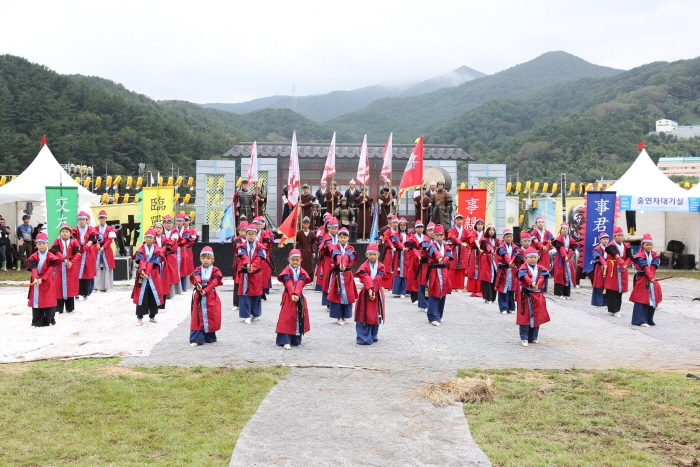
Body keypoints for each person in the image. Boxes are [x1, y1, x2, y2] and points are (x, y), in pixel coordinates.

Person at [276, 249, 312, 349]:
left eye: (297, 260)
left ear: (301, 260)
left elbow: (301, 283)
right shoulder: (286, 271)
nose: (295, 262)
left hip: (299, 297)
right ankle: (285, 340)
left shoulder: (302, 272)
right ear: (289, 260)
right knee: (286, 318)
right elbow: (288, 283)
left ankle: (295, 339)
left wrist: (296, 294)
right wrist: (292, 293)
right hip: (288, 297)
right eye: (293, 260)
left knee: (298, 317)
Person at [189, 246, 223, 346]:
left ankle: (210, 336)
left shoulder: (215, 270)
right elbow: (197, 276)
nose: (206, 260)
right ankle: (196, 339)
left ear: (212, 259)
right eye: (203, 258)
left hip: (211, 295)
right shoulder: (198, 269)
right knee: (198, 317)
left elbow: (215, 281)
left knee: (211, 316)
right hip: (199, 295)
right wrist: (198, 284)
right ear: (200, 259)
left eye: (208, 258)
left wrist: (206, 290)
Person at [516, 247, 551, 347]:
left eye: (535, 257)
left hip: (537, 294)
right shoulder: (523, 268)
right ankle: (524, 338)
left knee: (537, 316)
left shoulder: (540, 268)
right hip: (525, 295)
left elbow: (542, 277)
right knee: (525, 317)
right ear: (526, 258)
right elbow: (524, 277)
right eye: (530, 257)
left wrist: (537, 284)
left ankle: (534, 337)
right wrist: (531, 283)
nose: (533, 259)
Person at [354, 244, 386, 345]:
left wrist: (374, 289)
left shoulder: (381, 266)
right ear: (366, 255)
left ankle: (373, 335)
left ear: (378, 255)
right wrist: (369, 289)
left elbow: (379, 278)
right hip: (366, 293)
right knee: (364, 314)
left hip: (377, 292)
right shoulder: (363, 266)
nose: (372, 256)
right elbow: (365, 277)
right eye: (370, 254)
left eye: (374, 254)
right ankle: (363, 337)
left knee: (376, 314)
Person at [132, 229, 165, 326]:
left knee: (153, 295)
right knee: (141, 296)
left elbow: (153, 262)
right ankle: (139, 317)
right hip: (142, 275)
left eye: (151, 237)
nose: (148, 239)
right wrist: (142, 272)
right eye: (147, 237)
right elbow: (140, 260)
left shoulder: (157, 250)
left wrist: (147, 273)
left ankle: (152, 316)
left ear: (154, 239)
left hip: (153, 275)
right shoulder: (141, 249)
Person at [630, 234, 662, 327]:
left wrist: (651, 277)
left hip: (651, 279)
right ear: (642, 245)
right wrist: (650, 276)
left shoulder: (655, 255)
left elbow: (653, 266)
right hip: (642, 279)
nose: (649, 246)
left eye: (650, 245)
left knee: (653, 298)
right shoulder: (640, 255)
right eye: (647, 244)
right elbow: (644, 266)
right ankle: (639, 320)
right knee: (641, 299)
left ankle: (648, 319)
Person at [26, 232, 58, 328]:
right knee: (37, 301)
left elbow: (51, 269)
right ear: (36, 245)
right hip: (36, 282)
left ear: (47, 244)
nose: (42, 245)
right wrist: (36, 278)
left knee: (49, 300)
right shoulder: (33, 257)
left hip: (48, 280)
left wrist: (43, 278)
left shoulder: (51, 256)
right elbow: (33, 268)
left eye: (43, 243)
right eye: (39, 243)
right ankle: (37, 321)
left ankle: (50, 320)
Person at [327, 227, 358, 325]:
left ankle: (344, 315)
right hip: (337, 275)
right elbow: (337, 255)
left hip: (347, 275)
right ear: (338, 238)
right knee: (337, 294)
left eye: (345, 237)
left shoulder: (351, 248)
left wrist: (343, 264)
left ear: (348, 238)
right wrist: (340, 263)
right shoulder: (334, 246)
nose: (343, 239)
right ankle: (338, 316)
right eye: (340, 237)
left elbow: (347, 256)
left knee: (347, 295)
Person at [236, 224, 266, 324]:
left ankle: (255, 313)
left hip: (256, 274)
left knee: (256, 294)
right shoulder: (241, 246)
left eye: (253, 234)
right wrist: (247, 264)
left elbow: (259, 258)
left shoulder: (261, 247)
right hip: (245, 274)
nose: (251, 236)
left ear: (256, 235)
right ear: (246, 234)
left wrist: (253, 267)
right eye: (249, 234)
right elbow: (243, 255)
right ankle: (246, 315)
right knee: (245, 294)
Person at [50, 224, 81, 315]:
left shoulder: (74, 242)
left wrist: (72, 262)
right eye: (63, 231)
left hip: (70, 266)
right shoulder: (57, 241)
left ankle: (69, 308)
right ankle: (59, 308)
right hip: (59, 265)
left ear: (70, 234)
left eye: (67, 232)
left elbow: (78, 253)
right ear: (60, 233)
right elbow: (56, 251)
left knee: (70, 285)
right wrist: (64, 259)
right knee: (58, 285)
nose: (64, 233)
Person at [425, 225, 452, 326]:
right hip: (434, 272)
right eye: (437, 235)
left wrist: (443, 260)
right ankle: (432, 317)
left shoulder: (446, 246)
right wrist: (440, 258)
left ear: (443, 236)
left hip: (444, 271)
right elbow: (435, 252)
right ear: (434, 236)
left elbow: (449, 255)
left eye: (441, 235)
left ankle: (439, 315)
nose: (439, 237)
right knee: (434, 292)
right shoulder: (432, 245)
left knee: (443, 293)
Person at [604, 226, 632, 317]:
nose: (620, 237)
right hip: (613, 268)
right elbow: (616, 255)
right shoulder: (611, 245)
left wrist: (625, 264)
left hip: (622, 268)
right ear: (614, 237)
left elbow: (629, 257)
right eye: (618, 235)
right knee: (612, 288)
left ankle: (617, 309)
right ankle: (613, 309)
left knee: (620, 290)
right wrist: (622, 264)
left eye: (622, 236)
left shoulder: (626, 246)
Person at [495, 229, 521, 315]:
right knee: (503, 289)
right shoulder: (501, 247)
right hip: (504, 270)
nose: (509, 238)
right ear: (504, 238)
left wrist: (511, 262)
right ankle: (503, 307)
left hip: (512, 270)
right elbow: (505, 255)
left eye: (511, 237)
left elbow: (514, 255)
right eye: (507, 237)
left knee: (511, 289)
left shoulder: (515, 247)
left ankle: (511, 307)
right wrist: (509, 262)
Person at [72, 211, 97, 300]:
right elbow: (74, 240)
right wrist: (79, 248)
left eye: (83, 219)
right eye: (80, 220)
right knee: (76, 273)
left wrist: (85, 247)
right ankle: (76, 293)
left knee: (86, 273)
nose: (81, 221)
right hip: (77, 253)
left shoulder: (91, 230)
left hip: (88, 253)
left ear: (87, 220)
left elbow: (91, 240)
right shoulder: (74, 230)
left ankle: (85, 293)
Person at [317, 217, 339, 307]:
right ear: (328, 228)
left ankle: (336, 299)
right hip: (328, 259)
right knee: (327, 279)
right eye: (332, 228)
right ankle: (328, 302)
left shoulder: (339, 237)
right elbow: (329, 246)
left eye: (335, 228)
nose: (334, 230)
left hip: (337, 260)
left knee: (336, 279)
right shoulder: (326, 237)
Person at [552, 223, 578, 300]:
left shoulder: (571, 239)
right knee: (560, 275)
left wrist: (568, 256)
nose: (565, 230)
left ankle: (566, 294)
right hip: (560, 258)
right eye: (563, 229)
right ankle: (559, 293)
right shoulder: (558, 238)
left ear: (568, 230)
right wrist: (565, 256)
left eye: (566, 229)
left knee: (568, 274)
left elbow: (572, 249)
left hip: (568, 259)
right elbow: (561, 248)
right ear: (561, 230)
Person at [94, 210, 117, 293]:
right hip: (97, 249)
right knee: (96, 267)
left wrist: (103, 247)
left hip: (106, 250)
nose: (102, 219)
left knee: (107, 268)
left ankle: (106, 285)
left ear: (106, 218)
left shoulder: (110, 229)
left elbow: (109, 240)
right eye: (100, 218)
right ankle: (96, 286)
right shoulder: (95, 228)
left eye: (103, 218)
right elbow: (94, 238)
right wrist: (97, 244)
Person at [529, 215, 554, 292]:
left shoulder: (548, 232)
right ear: (536, 223)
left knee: (545, 270)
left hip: (545, 253)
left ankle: (544, 288)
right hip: (537, 252)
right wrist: (543, 247)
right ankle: (538, 287)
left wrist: (546, 246)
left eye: (542, 222)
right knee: (537, 270)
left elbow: (550, 241)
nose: (540, 223)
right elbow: (535, 242)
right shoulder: (533, 232)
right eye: (539, 222)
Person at [254, 216, 275, 298]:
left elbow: (266, 244)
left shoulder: (265, 233)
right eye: (255, 224)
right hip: (253, 256)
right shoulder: (251, 233)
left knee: (264, 275)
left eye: (259, 224)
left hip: (263, 256)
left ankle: (263, 291)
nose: (257, 226)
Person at [416, 222, 435, 312]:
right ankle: (424, 304)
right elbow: (429, 251)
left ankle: (430, 303)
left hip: (433, 266)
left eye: (433, 230)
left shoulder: (436, 240)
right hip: (426, 266)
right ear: (427, 232)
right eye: (430, 230)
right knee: (425, 284)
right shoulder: (426, 240)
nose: (432, 232)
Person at [390, 218, 411, 297]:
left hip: (407, 255)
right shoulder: (395, 234)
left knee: (407, 272)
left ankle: (406, 290)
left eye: (404, 225)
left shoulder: (409, 234)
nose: (403, 226)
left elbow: (411, 242)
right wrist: (403, 248)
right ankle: (399, 290)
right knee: (399, 272)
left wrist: (409, 248)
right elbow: (397, 243)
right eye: (401, 225)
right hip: (399, 255)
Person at [448, 213, 469, 292]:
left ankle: (459, 286)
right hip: (455, 249)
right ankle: (451, 285)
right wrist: (460, 243)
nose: (460, 221)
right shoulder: (452, 230)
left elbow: (469, 238)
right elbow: (452, 237)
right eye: (458, 220)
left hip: (463, 249)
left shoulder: (465, 230)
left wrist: (466, 243)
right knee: (453, 266)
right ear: (455, 221)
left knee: (461, 267)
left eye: (461, 220)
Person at [406, 220, 425, 304]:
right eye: (418, 227)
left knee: (423, 277)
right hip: (414, 259)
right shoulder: (412, 237)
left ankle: (423, 297)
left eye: (421, 227)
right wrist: (417, 255)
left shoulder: (426, 237)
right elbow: (412, 248)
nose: (420, 229)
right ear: (415, 229)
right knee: (414, 277)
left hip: (424, 259)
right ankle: (414, 298)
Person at [479, 224, 498, 304]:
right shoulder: (484, 239)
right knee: (487, 278)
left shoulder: (496, 240)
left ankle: (493, 297)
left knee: (494, 278)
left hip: (494, 260)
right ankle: (487, 297)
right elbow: (486, 245)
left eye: (493, 230)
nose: (491, 231)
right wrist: (491, 250)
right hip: (486, 259)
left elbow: (498, 247)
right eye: (490, 230)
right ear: (487, 231)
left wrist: (495, 251)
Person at [381, 216, 401, 290]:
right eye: (394, 223)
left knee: (396, 267)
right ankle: (387, 285)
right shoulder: (387, 232)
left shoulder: (399, 232)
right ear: (391, 223)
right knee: (388, 267)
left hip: (398, 251)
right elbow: (387, 239)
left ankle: (394, 285)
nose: (395, 224)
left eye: (397, 223)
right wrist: (392, 246)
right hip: (389, 251)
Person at [231, 222, 247, 312]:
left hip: (249, 262)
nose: (242, 232)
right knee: (237, 283)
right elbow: (237, 248)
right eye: (240, 230)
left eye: (244, 230)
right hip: (240, 262)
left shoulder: (251, 239)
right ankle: (236, 303)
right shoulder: (237, 240)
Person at [466, 219, 484, 297]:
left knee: (482, 268)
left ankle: (481, 287)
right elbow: (471, 240)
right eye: (478, 225)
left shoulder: (485, 234)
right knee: (473, 268)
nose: (480, 226)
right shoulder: (473, 233)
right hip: (475, 252)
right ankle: (472, 287)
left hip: (483, 253)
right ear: (476, 226)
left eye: (481, 225)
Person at [590, 232, 610, 308]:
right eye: (604, 239)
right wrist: (604, 264)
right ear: (600, 240)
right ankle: (598, 302)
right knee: (599, 284)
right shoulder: (597, 248)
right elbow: (599, 257)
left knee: (606, 285)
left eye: (607, 239)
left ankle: (605, 303)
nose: (606, 241)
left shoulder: (609, 247)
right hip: (599, 268)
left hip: (607, 268)